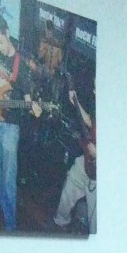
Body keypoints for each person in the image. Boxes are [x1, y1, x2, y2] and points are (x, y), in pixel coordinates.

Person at [0, 15, 41, 231]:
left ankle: (10, 225)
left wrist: (32, 107)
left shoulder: (20, 64)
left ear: (7, 33)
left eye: (0, 42)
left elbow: (27, 97)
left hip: (10, 124)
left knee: (8, 176)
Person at [53, 88, 97, 233]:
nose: (94, 91)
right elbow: (91, 122)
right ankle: (60, 222)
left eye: (96, 87)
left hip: (101, 171)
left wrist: (98, 154)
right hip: (86, 161)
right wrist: (76, 102)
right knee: (70, 186)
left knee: (95, 219)